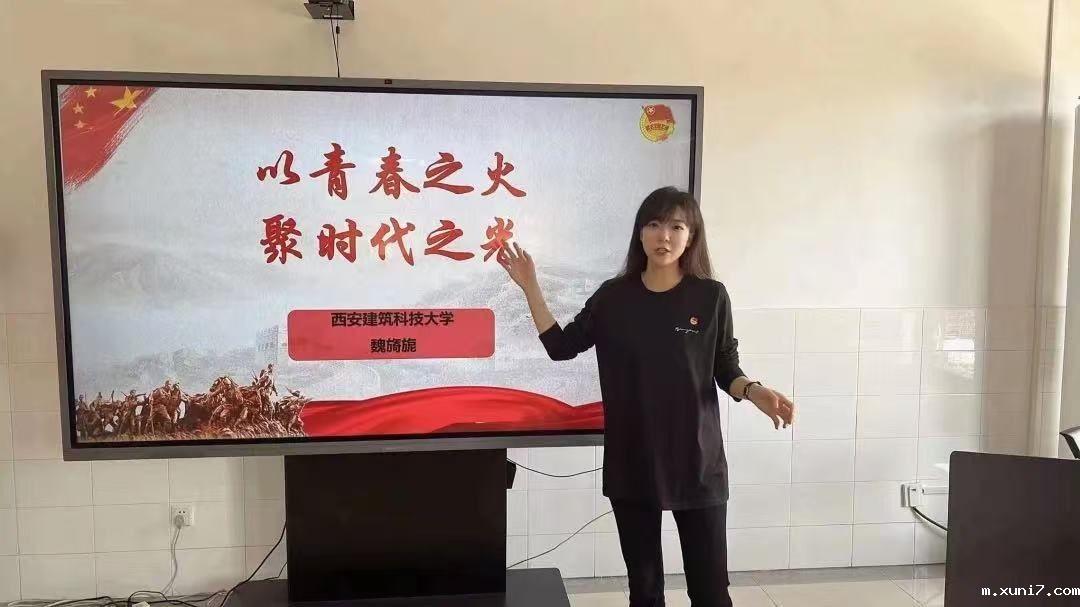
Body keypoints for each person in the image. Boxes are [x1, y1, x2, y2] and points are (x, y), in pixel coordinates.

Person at [499, 186, 795, 607]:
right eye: (654, 224)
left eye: (676, 226)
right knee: (645, 591)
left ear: (691, 236)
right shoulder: (613, 297)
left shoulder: (710, 296)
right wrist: (531, 287)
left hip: (697, 462)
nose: (664, 236)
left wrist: (754, 391)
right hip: (633, 462)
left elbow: (725, 368)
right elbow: (561, 347)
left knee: (711, 591)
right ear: (640, 233)